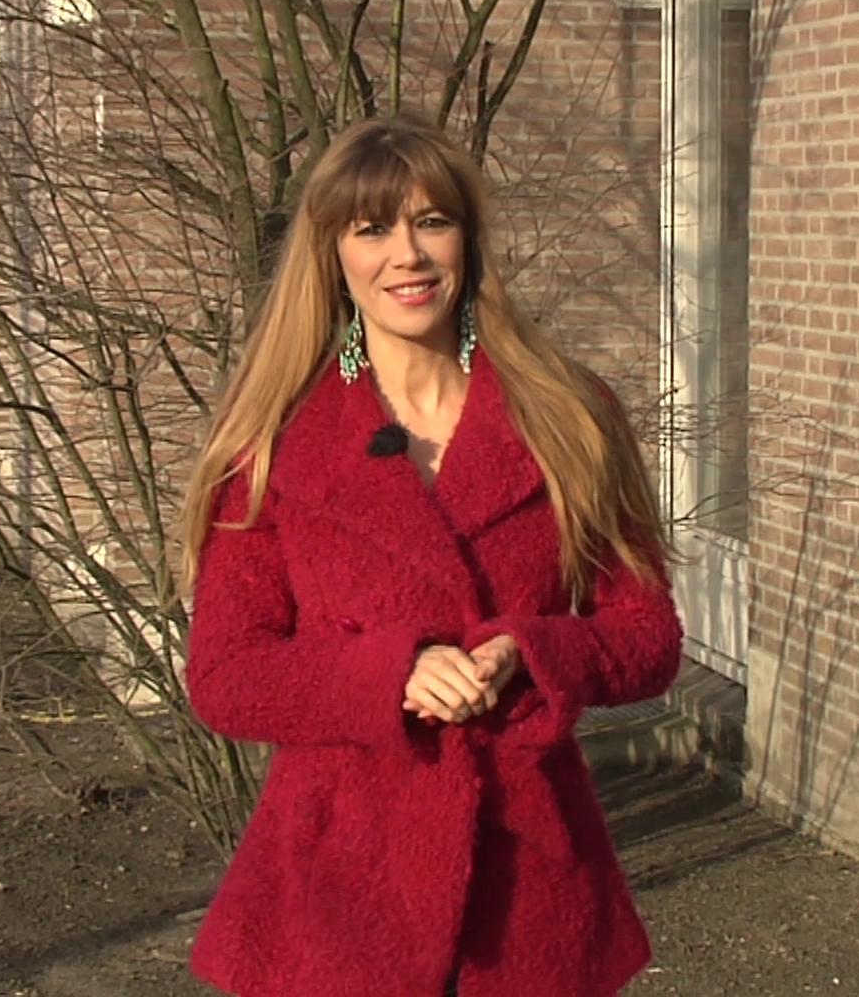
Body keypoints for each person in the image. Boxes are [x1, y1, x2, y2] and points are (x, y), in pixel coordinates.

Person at [175, 113, 685, 997]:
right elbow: (226, 674)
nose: (406, 255)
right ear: (333, 252)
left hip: (528, 893)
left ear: (468, 239)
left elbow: (648, 638)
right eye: (373, 229)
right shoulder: (274, 437)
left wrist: (534, 650)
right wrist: (389, 674)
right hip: (339, 893)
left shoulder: (569, 416)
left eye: (432, 222)